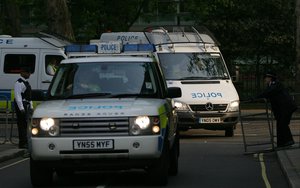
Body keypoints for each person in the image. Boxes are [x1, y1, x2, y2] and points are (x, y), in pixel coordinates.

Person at [254, 71, 297, 148]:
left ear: (270, 78)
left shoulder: (276, 85)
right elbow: (267, 94)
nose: (265, 80)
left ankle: (288, 141)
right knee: (281, 124)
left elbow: (266, 93)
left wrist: (254, 98)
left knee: (282, 124)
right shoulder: (272, 85)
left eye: (266, 78)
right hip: (282, 109)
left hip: (286, 107)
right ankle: (282, 143)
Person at [14, 67, 33, 149]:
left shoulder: (26, 82)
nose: (29, 74)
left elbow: (29, 96)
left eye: (29, 73)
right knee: (21, 124)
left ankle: (25, 141)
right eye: (27, 72)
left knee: (25, 124)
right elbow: (18, 96)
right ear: (22, 73)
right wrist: (21, 108)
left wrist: (31, 106)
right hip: (21, 105)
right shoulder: (19, 83)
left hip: (26, 104)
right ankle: (22, 143)